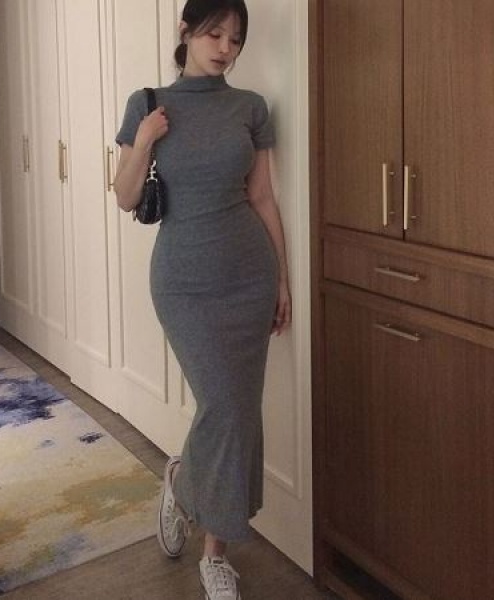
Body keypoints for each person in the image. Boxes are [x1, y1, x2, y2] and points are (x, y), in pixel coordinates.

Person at [113, 1, 291, 597]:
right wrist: (144, 140)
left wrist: (282, 280)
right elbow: (124, 196)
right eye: (215, 34)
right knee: (224, 405)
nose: (225, 48)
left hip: (249, 275)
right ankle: (184, 484)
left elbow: (262, 197)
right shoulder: (147, 104)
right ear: (185, 31)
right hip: (183, 282)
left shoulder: (251, 108)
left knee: (238, 409)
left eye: (235, 40)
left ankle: (215, 552)